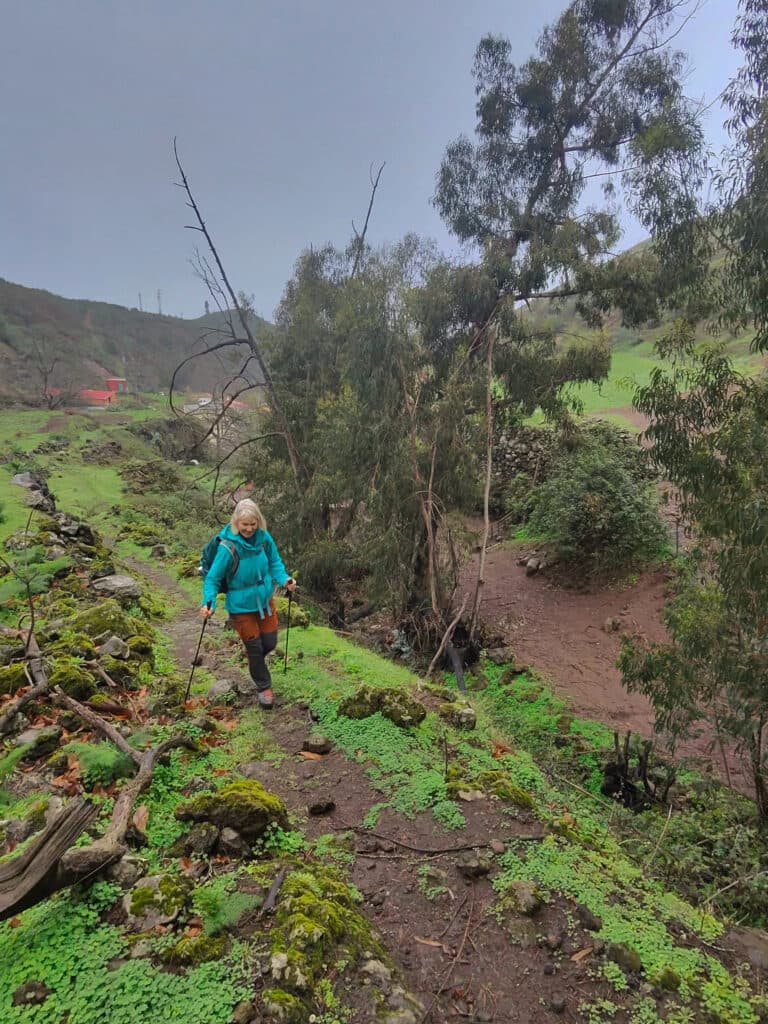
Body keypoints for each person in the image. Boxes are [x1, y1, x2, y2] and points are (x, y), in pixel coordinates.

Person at [200, 498, 296, 708]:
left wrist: (285, 580)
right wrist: (209, 602)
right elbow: (213, 579)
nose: (249, 528)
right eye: (245, 524)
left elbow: (275, 562)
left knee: (269, 643)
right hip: (241, 606)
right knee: (255, 648)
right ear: (236, 522)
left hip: (264, 600)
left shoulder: (263, 539)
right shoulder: (228, 547)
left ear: (258, 522)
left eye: (253, 524)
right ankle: (264, 688)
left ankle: (254, 661)